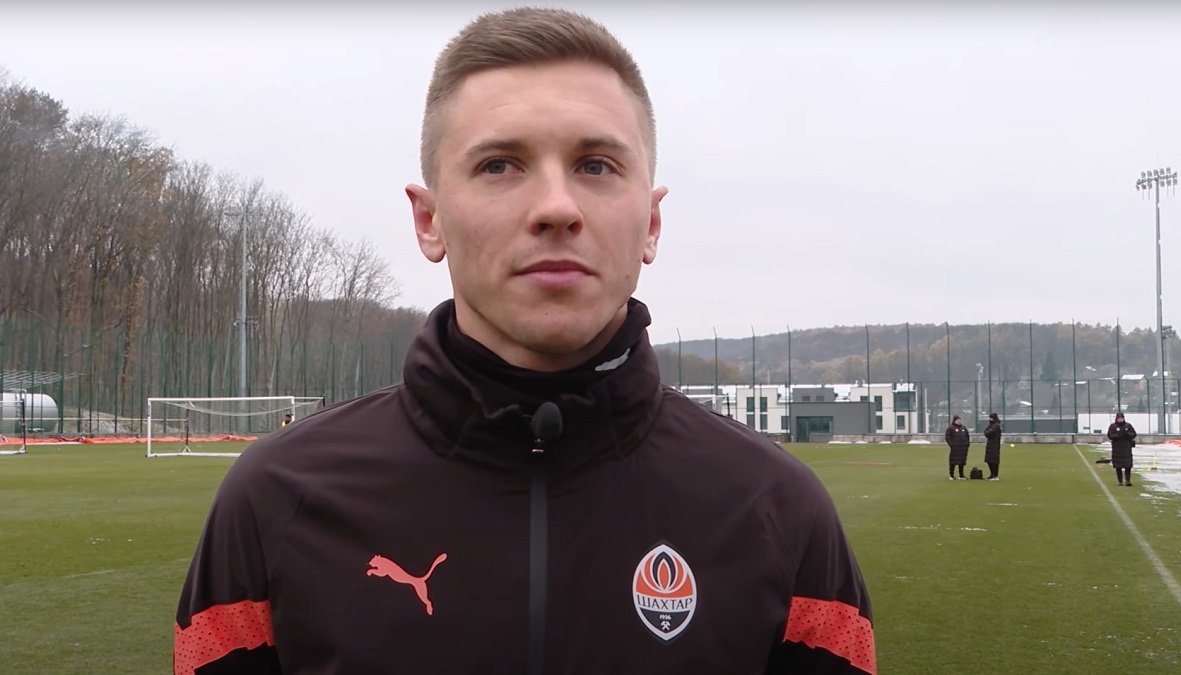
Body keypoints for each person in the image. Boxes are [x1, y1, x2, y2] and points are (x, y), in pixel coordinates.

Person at [174, 7, 874, 675]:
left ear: (652, 223)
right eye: (500, 165)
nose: (556, 208)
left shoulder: (779, 511)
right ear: (429, 221)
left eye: (595, 165)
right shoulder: (275, 501)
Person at [1107, 412, 1137, 486]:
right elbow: (1110, 435)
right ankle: (1120, 481)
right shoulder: (1113, 426)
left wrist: (1127, 434)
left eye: (1121, 418)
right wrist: (1117, 435)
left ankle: (1128, 480)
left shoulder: (1128, 426)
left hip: (1126, 448)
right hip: (1117, 449)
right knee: (1118, 466)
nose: (1120, 419)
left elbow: (1134, 434)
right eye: (1119, 418)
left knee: (1128, 465)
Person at [945, 415, 970, 480]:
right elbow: (947, 437)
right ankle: (951, 475)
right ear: (954, 421)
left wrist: (967, 444)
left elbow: (967, 436)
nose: (959, 421)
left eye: (959, 420)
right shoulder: (951, 428)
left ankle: (961, 475)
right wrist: (952, 445)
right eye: (957, 420)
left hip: (963, 448)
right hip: (955, 448)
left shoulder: (963, 428)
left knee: (962, 462)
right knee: (953, 462)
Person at [983, 412, 1002, 480]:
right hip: (990, 444)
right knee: (989, 460)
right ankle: (992, 474)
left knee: (994, 460)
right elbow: (985, 431)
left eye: (991, 418)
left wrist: (987, 432)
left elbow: (989, 433)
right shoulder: (991, 425)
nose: (990, 419)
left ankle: (995, 475)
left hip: (995, 445)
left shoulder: (996, 426)